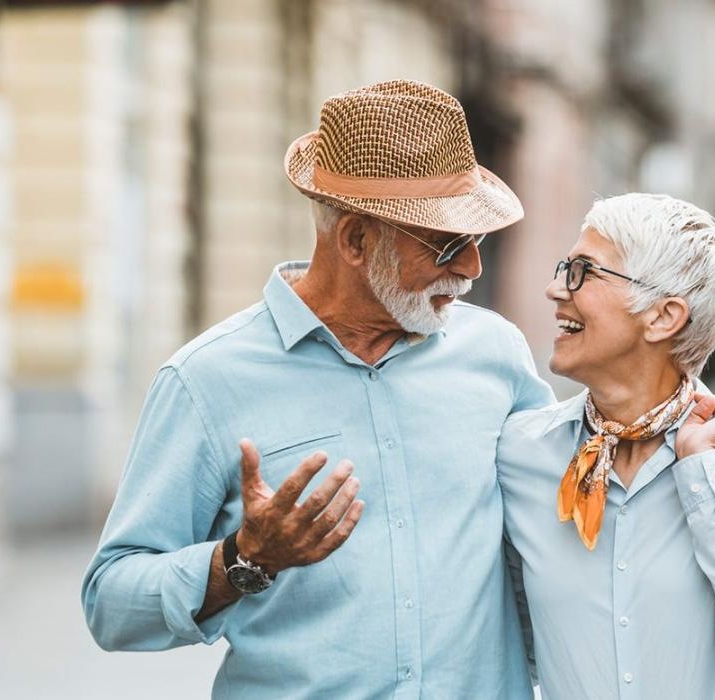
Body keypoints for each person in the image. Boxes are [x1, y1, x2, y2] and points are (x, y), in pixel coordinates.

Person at [81, 80, 555, 699]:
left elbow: (561, 524)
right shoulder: (206, 380)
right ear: (356, 241)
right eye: (447, 245)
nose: (472, 268)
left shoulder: (496, 355)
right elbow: (112, 604)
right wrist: (245, 559)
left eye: (478, 242)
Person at [497, 194, 715, 699]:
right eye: (562, 269)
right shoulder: (521, 456)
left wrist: (701, 471)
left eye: (582, 273)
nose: (554, 289)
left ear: (663, 317)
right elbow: (512, 644)